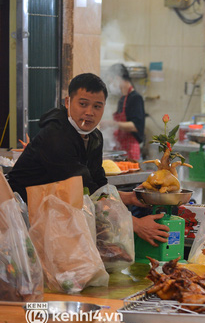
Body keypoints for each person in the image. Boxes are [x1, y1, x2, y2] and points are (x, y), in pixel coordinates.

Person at [7, 73, 169, 247]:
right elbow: (84, 190)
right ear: (68, 102)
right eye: (83, 104)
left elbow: (98, 185)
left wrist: (129, 197)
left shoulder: (94, 137)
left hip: (50, 220)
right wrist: (135, 224)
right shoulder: (55, 136)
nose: (89, 112)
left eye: (97, 106)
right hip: (19, 221)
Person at [107, 63, 145, 160]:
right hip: (121, 149)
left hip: (131, 150)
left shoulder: (135, 98)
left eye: (111, 81)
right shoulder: (122, 99)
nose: (111, 86)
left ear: (118, 78)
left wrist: (111, 124)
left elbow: (135, 126)